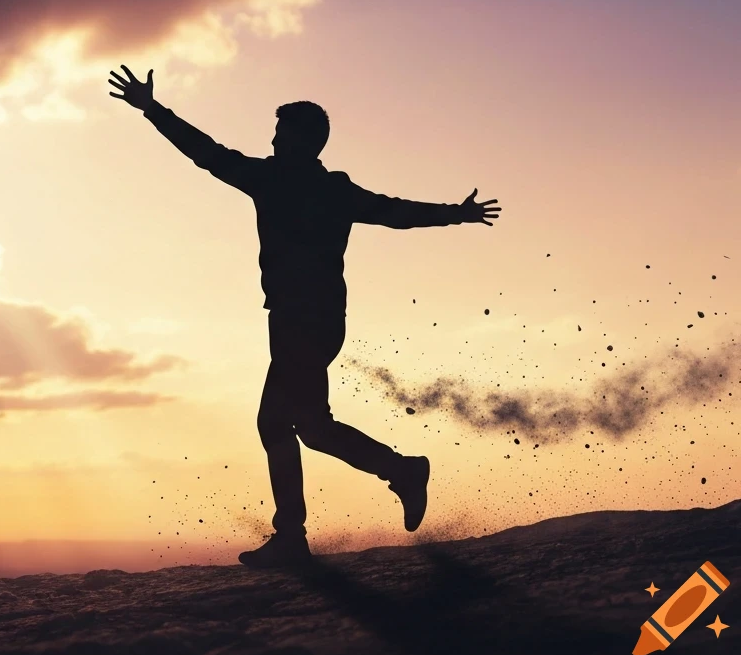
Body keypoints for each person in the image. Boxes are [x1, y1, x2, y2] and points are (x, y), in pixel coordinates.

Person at [108, 64, 502, 568]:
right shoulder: (327, 188)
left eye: (280, 134)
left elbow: (206, 154)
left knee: (292, 424)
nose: (272, 141)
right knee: (295, 425)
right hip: (313, 321)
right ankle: (369, 489)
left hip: (302, 322)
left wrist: (152, 110)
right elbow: (394, 211)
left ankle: (375, 486)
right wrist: (455, 213)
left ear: (303, 142)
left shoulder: (276, 181)